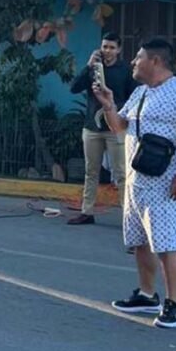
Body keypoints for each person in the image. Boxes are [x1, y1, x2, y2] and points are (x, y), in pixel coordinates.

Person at [94, 37, 176, 328]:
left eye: (138, 57)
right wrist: (108, 105)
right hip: (136, 181)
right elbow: (120, 127)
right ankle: (146, 294)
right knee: (140, 241)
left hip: (166, 180)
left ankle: (175, 303)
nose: (133, 62)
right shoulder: (141, 93)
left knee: (166, 244)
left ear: (154, 61)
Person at [67, 33, 135, 225]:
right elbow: (74, 88)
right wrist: (88, 66)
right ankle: (87, 211)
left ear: (119, 50)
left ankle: (128, 216)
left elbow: (134, 96)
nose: (107, 51)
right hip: (92, 127)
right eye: (105, 46)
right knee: (91, 171)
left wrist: (115, 107)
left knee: (121, 173)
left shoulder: (125, 70)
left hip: (115, 128)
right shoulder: (94, 68)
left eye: (112, 47)